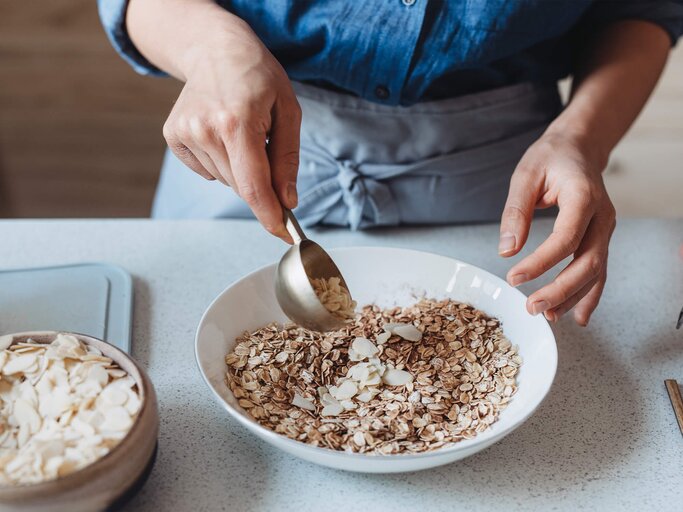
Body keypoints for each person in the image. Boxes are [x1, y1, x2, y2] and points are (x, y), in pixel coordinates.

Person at [98, 0, 683, 325]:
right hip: (243, 134)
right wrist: (216, 50)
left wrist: (581, 139)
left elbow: (638, 8)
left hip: (506, 177)